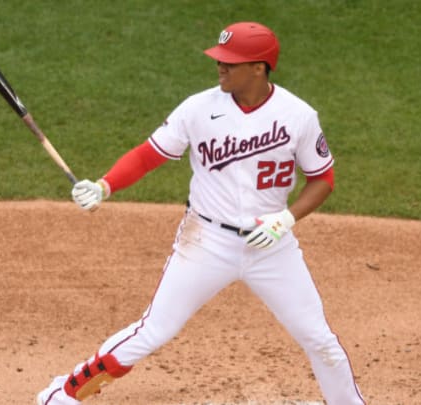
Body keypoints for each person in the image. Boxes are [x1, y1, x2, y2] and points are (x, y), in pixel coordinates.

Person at [37, 21, 366, 405]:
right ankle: (62, 393)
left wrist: (286, 219)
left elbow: (323, 178)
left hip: (272, 246)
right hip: (207, 241)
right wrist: (105, 185)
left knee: (318, 337)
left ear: (259, 68)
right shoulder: (198, 108)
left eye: (231, 62)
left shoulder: (298, 116)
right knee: (154, 329)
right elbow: (149, 155)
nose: (220, 67)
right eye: (219, 60)